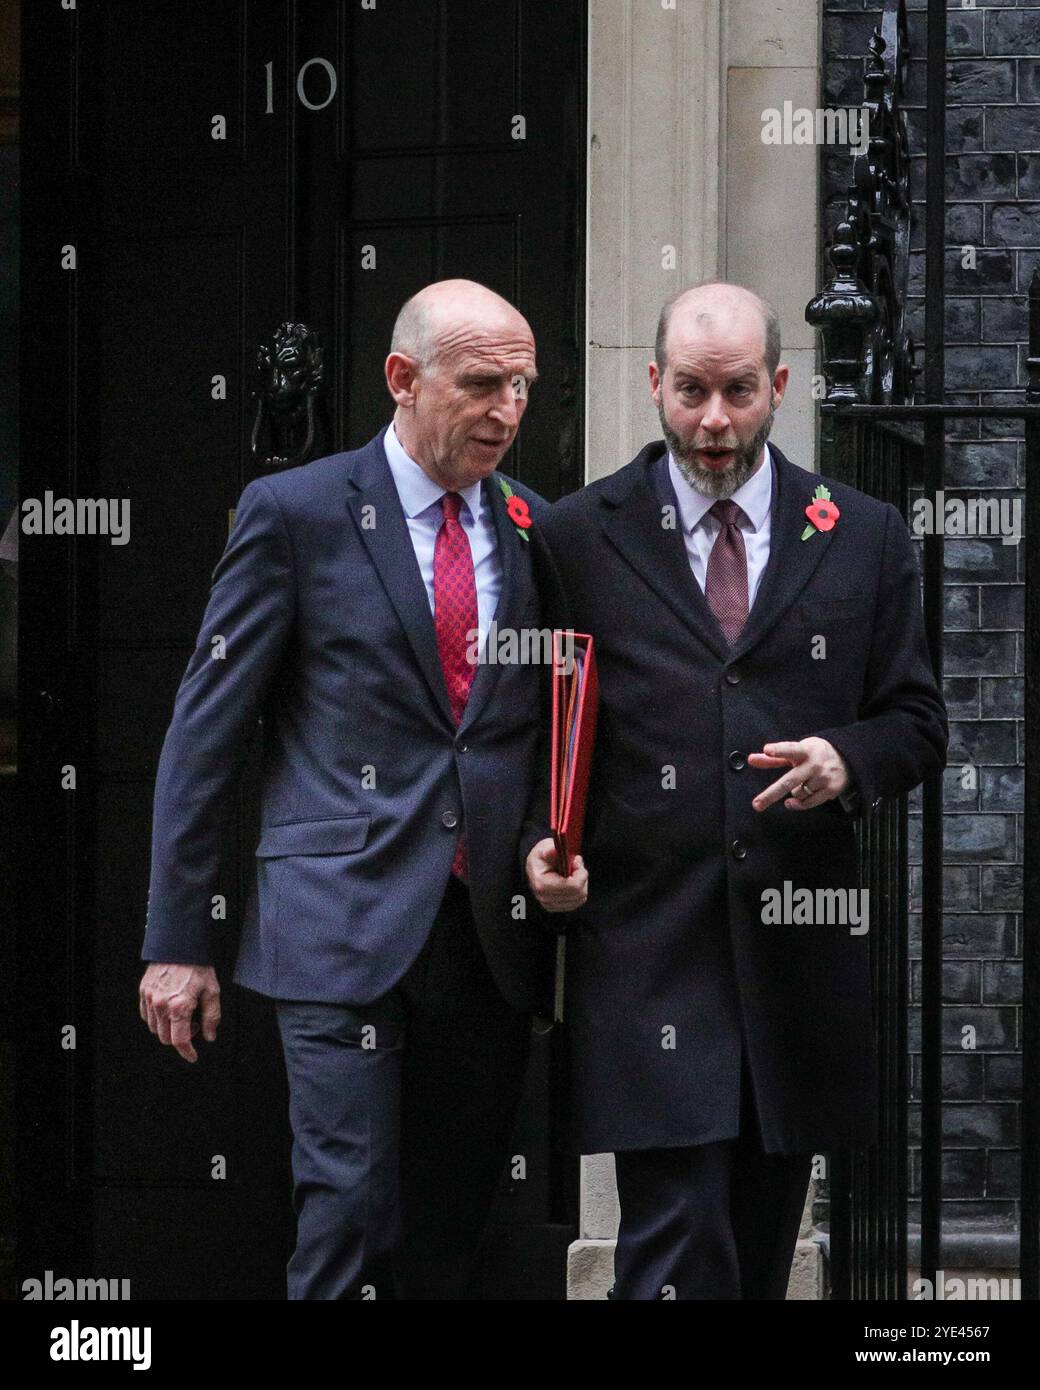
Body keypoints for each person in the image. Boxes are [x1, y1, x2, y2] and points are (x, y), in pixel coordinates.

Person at [139, 278, 569, 1299]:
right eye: (479, 383)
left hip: (486, 935)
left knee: (450, 1223)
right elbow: (205, 733)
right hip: (336, 928)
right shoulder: (294, 514)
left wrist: (559, 843)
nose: (506, 410)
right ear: (401, 378)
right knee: (350, 1210)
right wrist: (176, 940)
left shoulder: (537, 527)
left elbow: (551, 727)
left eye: (521, 385)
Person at [524, 280, 948, 1300]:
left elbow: (916, 723)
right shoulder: (576, 536)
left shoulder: (862, 532)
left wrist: (846, 760)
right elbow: (533, 727)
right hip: (646, 952)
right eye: (691, 393)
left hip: (793, 956)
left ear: (780, 386)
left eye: (739, 393)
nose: (713, 422)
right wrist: (537, 843)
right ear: (654, 383)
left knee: (754, 1258)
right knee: (675, 1246)